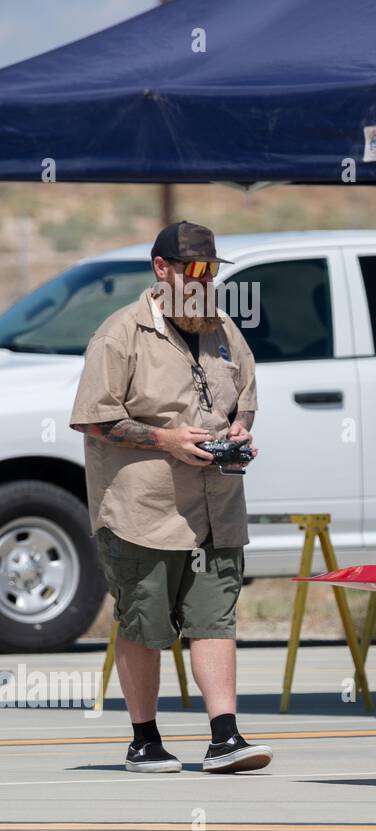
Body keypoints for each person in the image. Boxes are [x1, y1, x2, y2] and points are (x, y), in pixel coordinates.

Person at [70, 221, 271, 773]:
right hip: (145, 511)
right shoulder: (120, 334)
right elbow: (94, 419)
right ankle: (144, 740)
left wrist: (240, 429)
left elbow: (246, 398)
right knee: (144, 624)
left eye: (213, 270)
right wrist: (165, 439)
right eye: (195, 269)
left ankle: (224, 736)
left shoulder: (226, 330)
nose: (205, 280)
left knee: (215, 618)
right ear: (163, 269)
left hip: (217, 506)